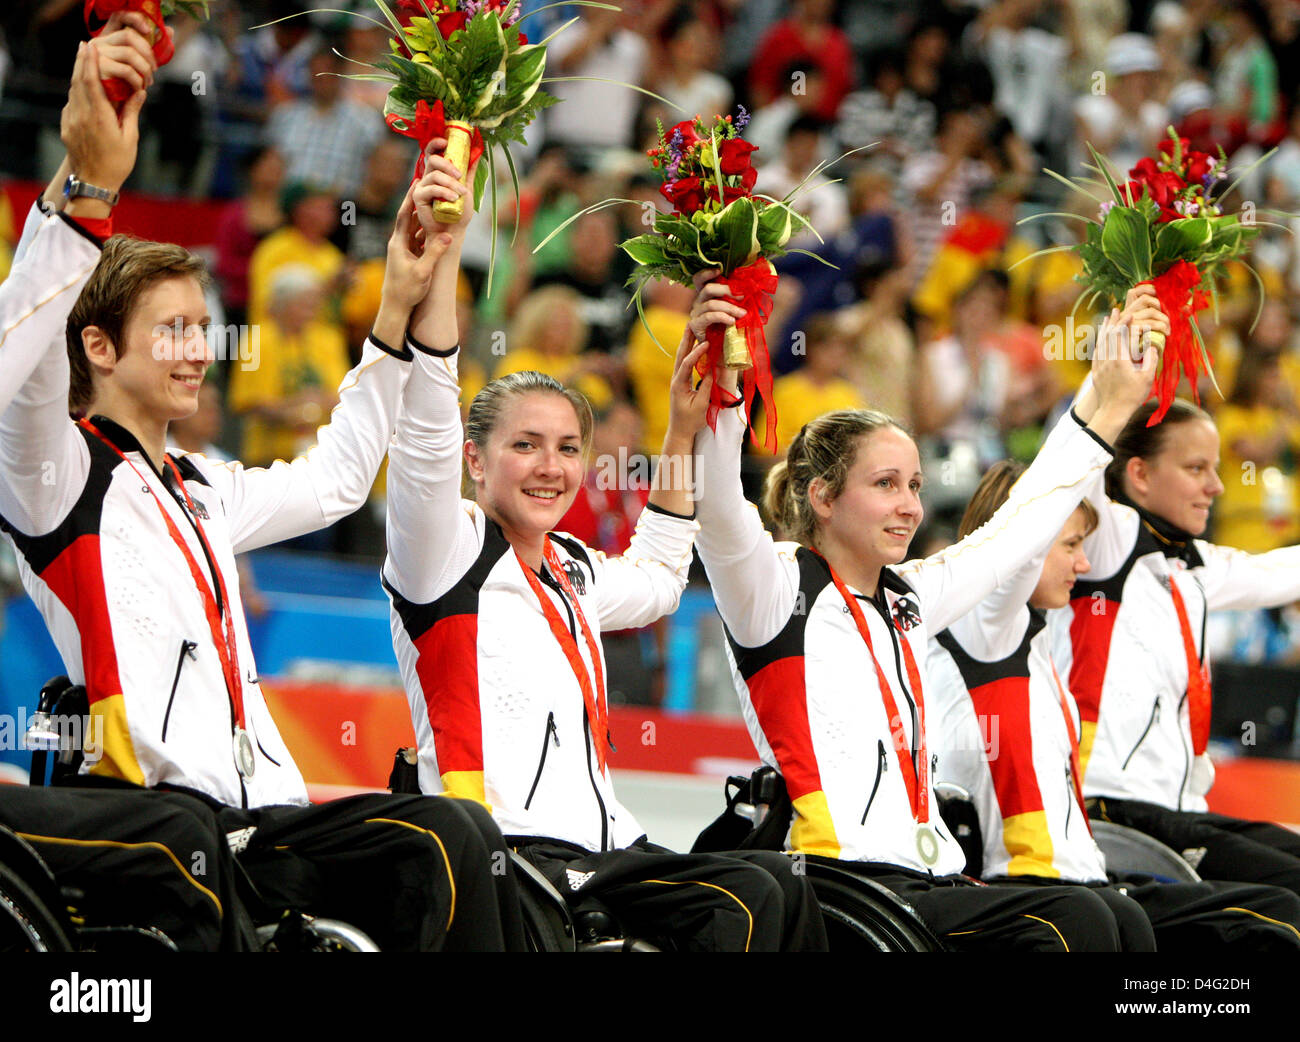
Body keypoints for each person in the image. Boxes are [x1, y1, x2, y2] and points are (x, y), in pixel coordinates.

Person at [0, 33, 524, 952]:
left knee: (450, 835)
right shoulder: (56, 475)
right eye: (172, 330)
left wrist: (398, 302)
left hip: (261, 819)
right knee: (192, 835)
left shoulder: (206, 489)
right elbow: (23, 357)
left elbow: (337, 480)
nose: (199, 348)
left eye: (204, 327)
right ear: (100, 349)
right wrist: (86, 185)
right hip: (152, 812)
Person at [382, 157, 826, 952]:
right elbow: (424, 423)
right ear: (476, 461)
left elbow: (658, 580)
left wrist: (682, 432)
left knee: (774, 883)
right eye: (524, 445)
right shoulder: (441, 553)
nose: (552, 467)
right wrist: (442, 256)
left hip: (604, 851)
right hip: (507, 858)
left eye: (566, 448)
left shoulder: (572, 569)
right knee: (746, 905)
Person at [689, 277, 1162, 951]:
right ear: (823, 497)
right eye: (885, 486)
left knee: (1116, 919)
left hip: (929, 882)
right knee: (1072, 922)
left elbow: (1021, 526)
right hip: (841, 886)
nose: (911, 505)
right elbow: (717, 511)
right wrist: (723, 389)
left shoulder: (910, 597)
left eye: (913, 485)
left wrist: (1107, 403)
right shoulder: (772, 589)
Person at [929, 453, 1300, 951]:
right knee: (1099, 918)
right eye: (1072, 546)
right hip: (1040, 873)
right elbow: (1073, 457)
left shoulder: (1040, 644)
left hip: (1087, 869)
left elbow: (1279, 572)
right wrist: (1113, 393)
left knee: (1273, 914)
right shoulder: (984, 627)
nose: (1084, 564)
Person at [1059, 362, 1300, 897]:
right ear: (1139, 475)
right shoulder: (1105, 544)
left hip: (1180, 809)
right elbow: (1073, 458)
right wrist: (1110, 372)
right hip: (1107, 804)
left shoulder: (1193, 566)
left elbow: (1282, 571)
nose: (1215, 486)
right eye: (1196, 469)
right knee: (1289, 889)